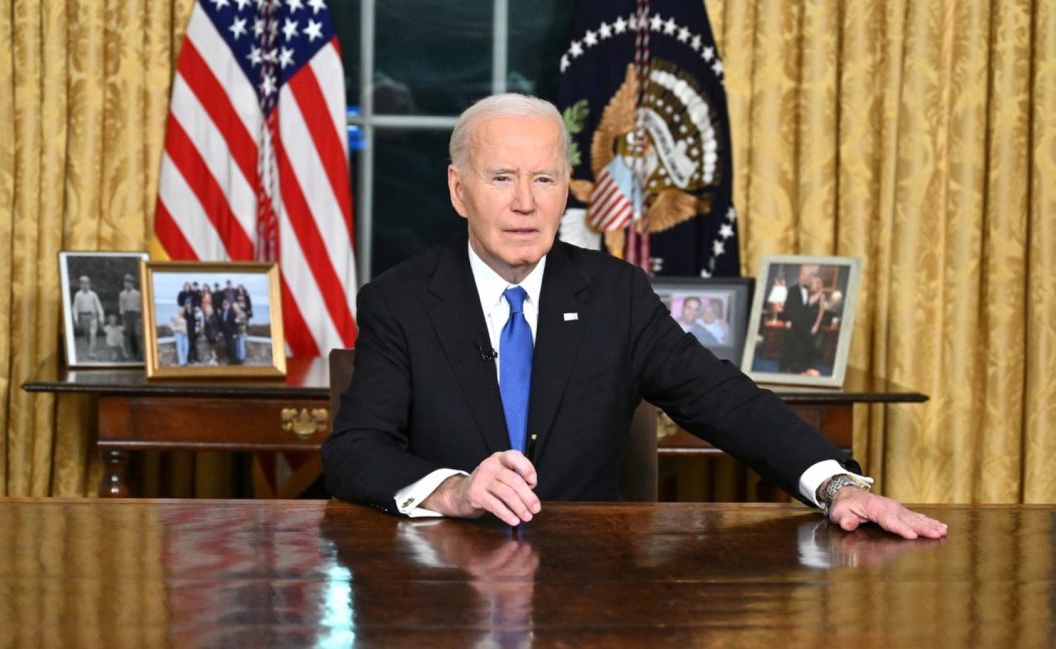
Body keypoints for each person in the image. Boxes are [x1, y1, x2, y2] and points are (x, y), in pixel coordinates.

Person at [321, 93, 946, 541]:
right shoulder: (399, 300)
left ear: (567, 189)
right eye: (502, 177)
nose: (524, 202)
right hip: (439, 583)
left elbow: (725, 400)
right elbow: (354, 452)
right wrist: (453, 491)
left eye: (544, 178)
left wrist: (839, 487)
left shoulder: (614, 296)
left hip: (590, 585)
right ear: (460, 191)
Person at [780, 266, 816, 373]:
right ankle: (790, 369)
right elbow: (788, 309)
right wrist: (791, 322)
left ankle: (803, 369)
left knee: (805, 349)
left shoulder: (811, 290)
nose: (806, 278)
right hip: (796, 326)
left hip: (806, 326)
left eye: (808, 276)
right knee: (795, 348)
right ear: (799, 276)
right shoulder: (792, 290)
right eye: (804, 275)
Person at [72, 275, 105, 359]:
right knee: (87, 335)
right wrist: (75, 318)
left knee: (93, 334)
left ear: (89, 284)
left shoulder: (93, 295)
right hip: (83, 317)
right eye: (83, 283)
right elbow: (75, 307)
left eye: (87, 283)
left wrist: (101, 317)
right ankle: (90, 349)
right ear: (80, 285)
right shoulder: (78, 295)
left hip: (93, 316)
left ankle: (92, 353)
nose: (85, 285)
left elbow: (99, 306)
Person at [118, 274, 143, 361]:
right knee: (129, 335)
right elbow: (121, 307)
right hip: (127, 315)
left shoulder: (138, 294)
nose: (127, 284)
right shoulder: (122, 294)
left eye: (129, 283)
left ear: (132, 284)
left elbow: (141, 306)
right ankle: (133, 354)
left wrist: (140, 317)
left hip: (136, 315)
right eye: (125, 282)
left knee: (138, 334)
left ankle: (140, 355)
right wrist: (123, 319)